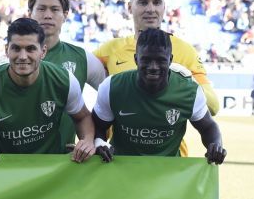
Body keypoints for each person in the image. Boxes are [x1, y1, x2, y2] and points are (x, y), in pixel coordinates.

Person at [94, 0, 220, 154]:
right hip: (122, 161)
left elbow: (213, 106)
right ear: (130, 7)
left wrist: (183, 76)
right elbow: (78, 86)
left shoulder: (185, 51)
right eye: (143, 2)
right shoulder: (108, 51)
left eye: (157, 2)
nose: (151, 9)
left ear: (163, 8)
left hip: (170, 164)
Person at [0, 18, 95, 161]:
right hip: (4, 172)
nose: (23, 56)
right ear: (6, 50)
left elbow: (83, 117)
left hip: (51, 169)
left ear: (43, 51)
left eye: (31, 49)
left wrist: (88, 140)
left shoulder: (63, 79)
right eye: (16, 48)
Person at [92, 29, 226, 163]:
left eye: (161, 60)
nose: (153, 67)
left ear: (170, 60)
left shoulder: (189, 91)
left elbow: (208, 127)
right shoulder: (112, 87)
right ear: (136, 59)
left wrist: (215, 146)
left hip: (168, 174)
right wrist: (99, 143)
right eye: (146, 59)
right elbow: (98, 126)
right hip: (121, 169)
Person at [27, 0, 106, 150]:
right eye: (41, 9)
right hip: (19, 160)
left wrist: (94, 139)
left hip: (65, 163)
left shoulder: (82, 58)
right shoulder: (12, 60)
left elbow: (111, 93)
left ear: (65, 15)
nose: (47, 15)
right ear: (30, 14)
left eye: (54, 9)